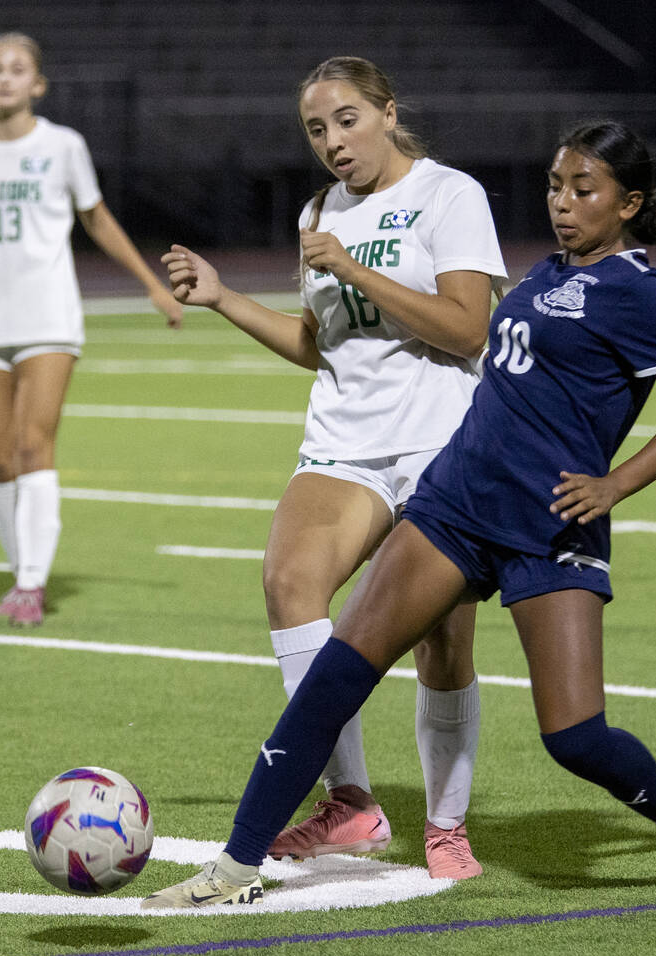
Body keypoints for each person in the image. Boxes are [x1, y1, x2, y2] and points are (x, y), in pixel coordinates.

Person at [142, 121, 656, 910]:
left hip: (551, 520)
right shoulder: (543, 271)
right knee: (335, 677)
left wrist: (614, 486)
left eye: (583, 190)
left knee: (573, 735)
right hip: (457, 500)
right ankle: (234, 866)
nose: (563, 203)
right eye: (557, 185)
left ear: (628, 203)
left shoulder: (640, 293)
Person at [160, 56, 506, 880]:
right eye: (317, 129)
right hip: (344, 441)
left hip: (440, 443)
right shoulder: (322, 209)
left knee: (443, 642)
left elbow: (467, 330)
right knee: (290, 585)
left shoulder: (450, 195)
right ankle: (351, 801)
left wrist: (354, 267)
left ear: (388, 111)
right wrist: (222, 297)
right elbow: (322, 344)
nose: (333, 142)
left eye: (347, 119)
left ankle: (448, 825)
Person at [0, 32, 182, 628]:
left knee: (35, 444)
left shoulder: (63, 146)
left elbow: (97, 219)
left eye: (17, 70)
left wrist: (150, 282)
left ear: (37, 84)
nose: (5, 77)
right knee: (1, 459)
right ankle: (20, 572)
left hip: (48, 314)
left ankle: (32, 584)